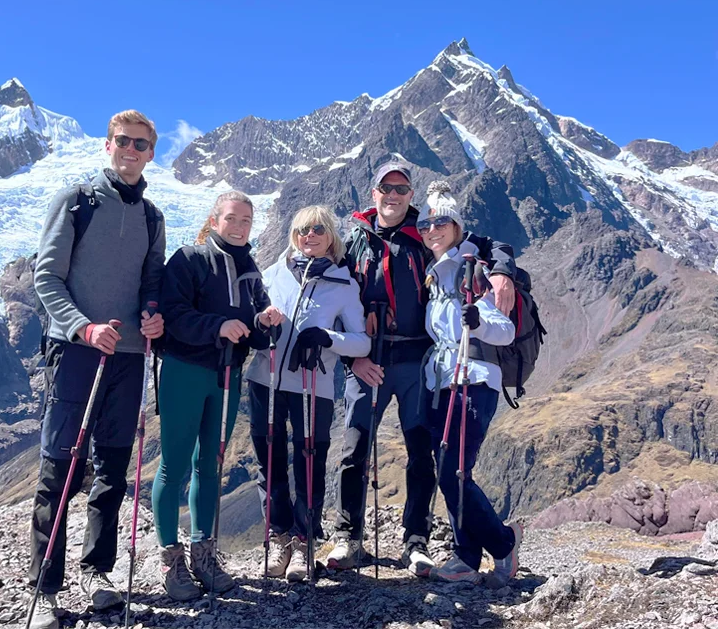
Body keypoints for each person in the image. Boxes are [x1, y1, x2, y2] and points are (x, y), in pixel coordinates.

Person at [327, 161, 517, 577]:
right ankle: (347, 537)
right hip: (368, 362)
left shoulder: (426, 235)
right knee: (354, 448)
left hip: (418, 365)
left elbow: (489, 245)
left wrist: (503, 269)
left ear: (411, 195)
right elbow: (334, 297)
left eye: (401, 189)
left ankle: (416, 541)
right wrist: (352, 358)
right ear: (374, 193)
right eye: (386, 188)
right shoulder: (355, 240)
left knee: (422, 455)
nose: (393, 195)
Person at [28, 111, 166, 628]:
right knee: (59, 469)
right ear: (108, 145)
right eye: (123, 141)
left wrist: (152, 315)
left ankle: (97, 572)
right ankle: (45, 588)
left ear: (151, 152)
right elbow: (46, 277)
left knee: (112, 468)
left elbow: (152, 281)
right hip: (77, 352)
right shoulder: (77, 202)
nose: (131, 150)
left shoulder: (153, 217)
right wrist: (82, 328)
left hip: (128, 356)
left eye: (141, 144)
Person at [151, 190, 283, 601]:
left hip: (227, 374)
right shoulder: (189, 259)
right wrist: (218, 326)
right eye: (232, 218)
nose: (240, 227)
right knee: (174, 466)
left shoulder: (250, 270)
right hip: (185, 371)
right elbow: (174, 314)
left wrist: (265, 322)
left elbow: (257, 332)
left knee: (210, 464)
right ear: (214, 220)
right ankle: (171, 561)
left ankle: (203, 554)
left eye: (246, 221)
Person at [245, 205, 370, 582]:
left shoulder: (344, 284)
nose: (309, 236)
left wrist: (328, 338)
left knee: (309, 463)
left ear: (331, 235)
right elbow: (253, 316)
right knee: (269, 461)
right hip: (265, 379)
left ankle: (304, 541)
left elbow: (362, 342)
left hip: (313, 385)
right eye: (302, 230)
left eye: (317, 229)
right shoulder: (274, 273)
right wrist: (261, 321)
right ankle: (278, 536)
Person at [417, 181, 523, 584]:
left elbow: (505, 331)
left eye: (441, 223)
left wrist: (478, 322)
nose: (432, 230)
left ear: (457, 227)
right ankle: (465, 557)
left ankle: (504, 544)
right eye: (426, 224)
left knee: (454, 473)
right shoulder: (435, 274)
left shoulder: (473, 269)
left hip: (473, 381)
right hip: (443, 382)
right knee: (450, 471)